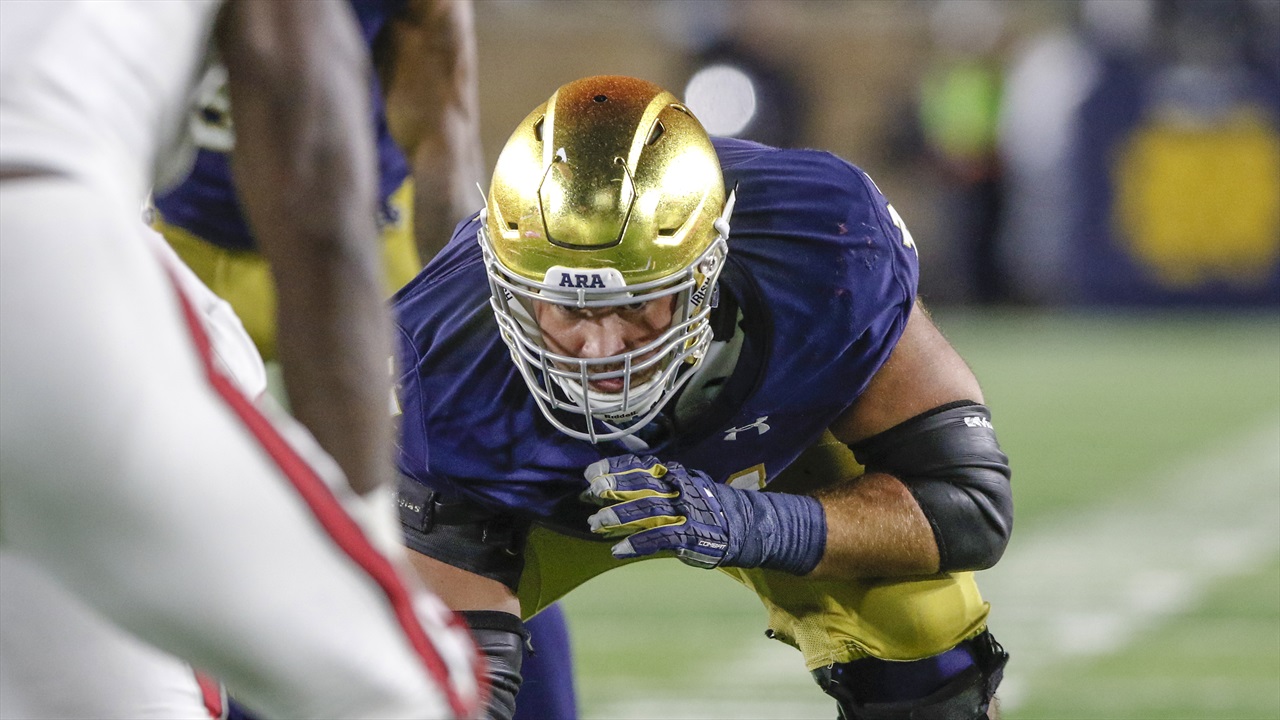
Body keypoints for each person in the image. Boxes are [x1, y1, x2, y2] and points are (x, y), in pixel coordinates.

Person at [392, 75, 1015, 720]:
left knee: (924, 631)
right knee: (417, 677)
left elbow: (967, 504)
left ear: (706, 267)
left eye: (635, 303)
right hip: (527, 495)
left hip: (772, 444)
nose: (601, 348)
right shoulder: (440, 352)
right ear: (511, 289)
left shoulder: (820, 242)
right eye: (568, 308)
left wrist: (755, 524)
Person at [0, 2, 483, 718]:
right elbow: (318, 198)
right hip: (38, 254)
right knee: (403, 688)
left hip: (58, 279)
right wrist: (368, 537)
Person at [146, 1, 578, 715]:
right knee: (173, 507)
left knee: (469, 496)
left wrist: (464, 346)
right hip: (174, 230)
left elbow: (440, 125)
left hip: (359, 222)